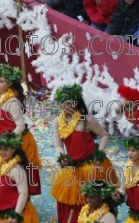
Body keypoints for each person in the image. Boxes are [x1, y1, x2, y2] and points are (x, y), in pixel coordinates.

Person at [50, 83, 119, 223]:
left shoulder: (86, 120)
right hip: (72, 166)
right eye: (62, 102)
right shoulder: (57, 121)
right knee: (68, 201)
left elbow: (104, 135)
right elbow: (58, 145)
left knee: (90, 198)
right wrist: (62, 156)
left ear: (75, 102)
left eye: (68, 102)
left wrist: (100, 154)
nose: (64, 105)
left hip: (92, 166)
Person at [0, 63, 42, 196]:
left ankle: (17, 201)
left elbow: (20, 126)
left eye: (2, 81)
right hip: (3, 141)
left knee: (13, 172)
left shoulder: (13, 103)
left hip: (17, 141)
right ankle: (0, 199)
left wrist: (8, 142)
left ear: (10, 83)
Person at [0, 132, 39, 223]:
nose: (2, 152)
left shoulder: (17, 169)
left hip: (16, 215)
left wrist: (16, 215)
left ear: (13, 149)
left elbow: (23, 194)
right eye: (0, 149)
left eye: (5, 149)